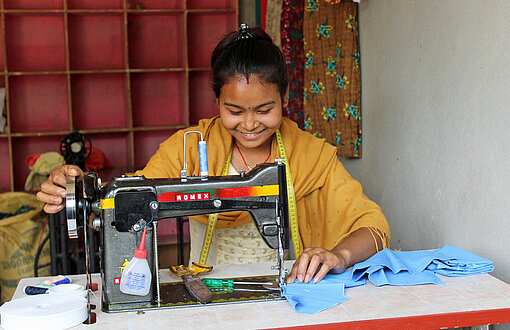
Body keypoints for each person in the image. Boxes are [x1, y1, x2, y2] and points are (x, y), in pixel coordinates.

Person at [37, 24, 390, 284]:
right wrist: (78, 189)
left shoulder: (310, 154)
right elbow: (130, 196)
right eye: (235, 111)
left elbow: (373, 227)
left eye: (264, 110)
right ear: (217, 102)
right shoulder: (189, 149)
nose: (250, 124)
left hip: (289, 295)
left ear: (285, 100)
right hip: (204, 295)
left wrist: (339, 255)